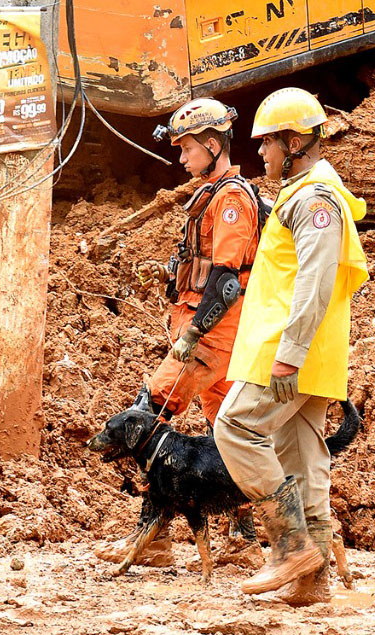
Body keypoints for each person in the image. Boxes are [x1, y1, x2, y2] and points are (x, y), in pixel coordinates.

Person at [213, 87, 368, 605]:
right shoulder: (310, 193)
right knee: (302, 457)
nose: (261, 152)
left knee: (235, 427)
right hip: (313, 355)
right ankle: (312, 580)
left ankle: (290, 545)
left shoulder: (313, 200)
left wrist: (289, 352)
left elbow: (316, 279)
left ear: (295, 141)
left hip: (290, 350)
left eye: (268, 142)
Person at [96, 98, 262, 568]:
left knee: (147, 417)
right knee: (229, 434)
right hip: (220, 337)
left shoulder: (230, 199)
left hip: (210, 338)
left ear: (213, 145)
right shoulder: (212, 193)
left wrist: (193, 333)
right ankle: (244, 541)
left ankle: (156, 538)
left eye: (188, 148)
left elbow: (226, 279)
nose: (182, 158)